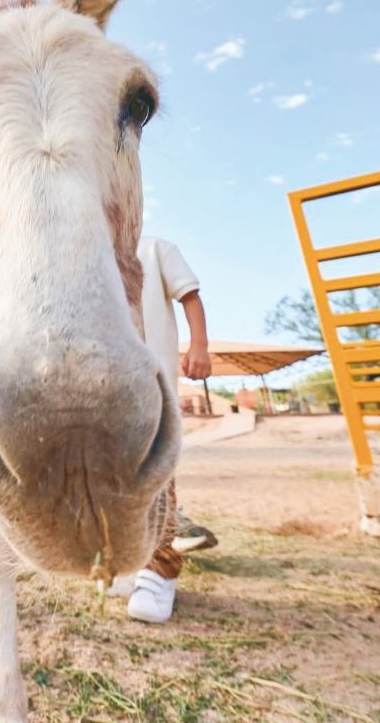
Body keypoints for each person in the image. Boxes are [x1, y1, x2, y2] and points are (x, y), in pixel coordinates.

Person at [109, 236, 215, 623]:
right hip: (105, 388)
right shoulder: (91, 245)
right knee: (116, 484)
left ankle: (161, 571)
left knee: (156, 481)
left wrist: (198, 345)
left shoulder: (155, 248)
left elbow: (190, 296)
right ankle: (127, 563)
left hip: (152, 385)